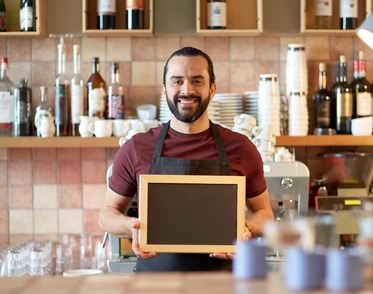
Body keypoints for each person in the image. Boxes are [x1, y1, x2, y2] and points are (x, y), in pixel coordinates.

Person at [98, 46, 274, 272]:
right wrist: (132, 226)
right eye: (177, 81)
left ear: (212, 90)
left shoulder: (241, 148)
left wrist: (244, 229)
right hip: (154, 288)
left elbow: (265, 214)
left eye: (197, 81)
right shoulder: (136, 148)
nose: (187, 90)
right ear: (164, 89)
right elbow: (106, 214)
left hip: (222, 286)